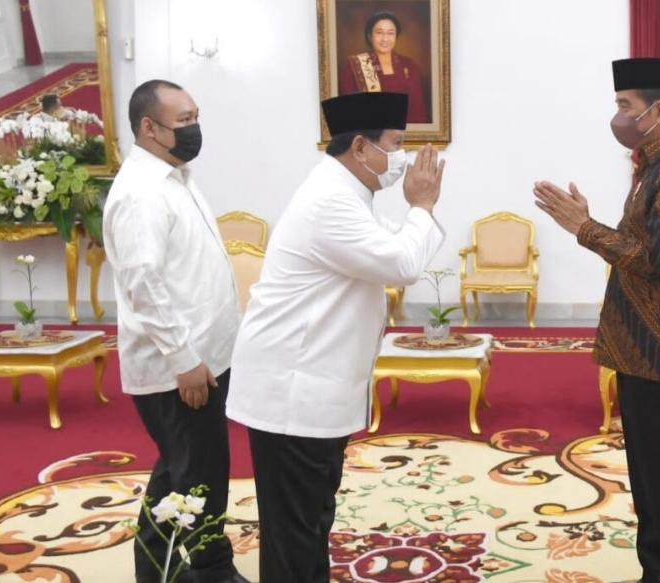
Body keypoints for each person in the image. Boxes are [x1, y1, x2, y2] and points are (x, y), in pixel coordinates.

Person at [225, 91, 446, 583]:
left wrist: (418, 212)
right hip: (293, 391)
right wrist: (422, 205)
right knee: (296, 531)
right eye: (396, 144)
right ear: (361, 147)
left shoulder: (348, 194)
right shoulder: (329, 202)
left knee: (309, 520)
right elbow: (402, 263)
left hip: (312, 386)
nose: (403, 158)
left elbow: (394, 249)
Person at [534, 57, 660, 583]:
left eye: (625, 105)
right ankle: (657, 572)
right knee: (647, 477)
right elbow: (642, 245)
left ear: (658, 111)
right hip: (638, 344)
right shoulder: (653, 164)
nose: (619, 115)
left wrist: (584, 227)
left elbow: (653, 259)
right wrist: (590, 224)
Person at [103, 79, 247, 583]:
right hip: (177, 368)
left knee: (180, 468)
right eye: (184, 120)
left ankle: (154, 571)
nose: (194, 128)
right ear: (149, 127)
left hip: (202, 356)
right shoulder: (141, 194)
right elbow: (144, 285)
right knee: (200, 477)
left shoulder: (174, 176)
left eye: (195, 117)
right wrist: (183, 360)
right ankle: (212, 570)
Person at [339, 11, 428, 123]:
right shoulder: (354, 66)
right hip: (369, 132)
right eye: (379, 33)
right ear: (370, 36)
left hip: (407, 131)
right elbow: (348, 111)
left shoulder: (409, 65)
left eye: (390, 33)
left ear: (396, 36)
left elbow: (418, 111)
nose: (385, 39)